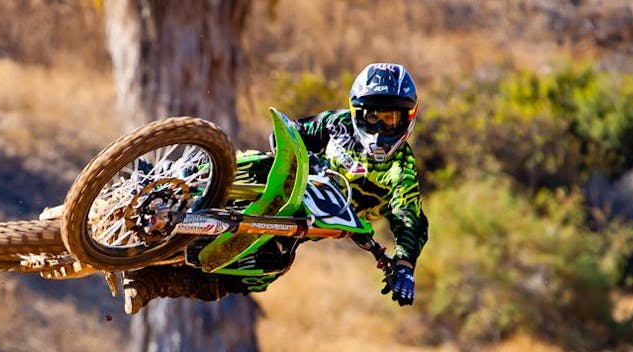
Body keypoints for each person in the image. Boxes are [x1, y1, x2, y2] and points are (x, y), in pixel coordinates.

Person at [122, 62, 429, 314]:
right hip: (293, 177)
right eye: (373, 116)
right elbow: (292, 130)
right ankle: (169, 176)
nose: (380, 127)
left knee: (266, 269)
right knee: (257, 162)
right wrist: (303, 153)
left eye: (390, 118)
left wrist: (403, 265)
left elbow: (409, 219)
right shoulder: (338, 124)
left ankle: (150, 282)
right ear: (357, 112)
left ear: (407, 119)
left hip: (308, 217)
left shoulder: (402, 171)